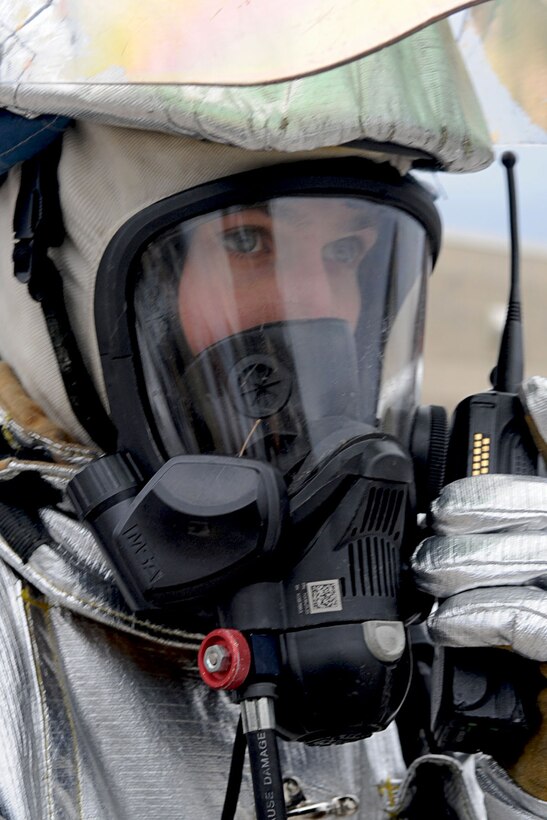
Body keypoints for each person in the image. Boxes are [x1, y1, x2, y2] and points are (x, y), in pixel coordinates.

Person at [0, 20, 545, 820]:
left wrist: (520, 786)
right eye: (247, 242)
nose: (322, 314)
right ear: (47, 266)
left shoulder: (433, 651)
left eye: (347, 253)